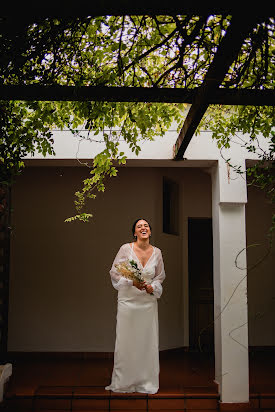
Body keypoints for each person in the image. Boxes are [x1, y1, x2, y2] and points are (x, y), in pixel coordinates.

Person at [105, 218, 166, 394]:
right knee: (126, 341)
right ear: (135, 232)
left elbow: (159, 276)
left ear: (150, 231)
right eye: (139, 226)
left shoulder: (157, 252)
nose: (143, 228)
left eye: (146, 226)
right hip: (128, 302)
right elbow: (115, 272)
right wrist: (132, 282)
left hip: (147, 303)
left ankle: (146, 381)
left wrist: (152, 287)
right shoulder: (126, 248)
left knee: (147, 342)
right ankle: (124, 381)